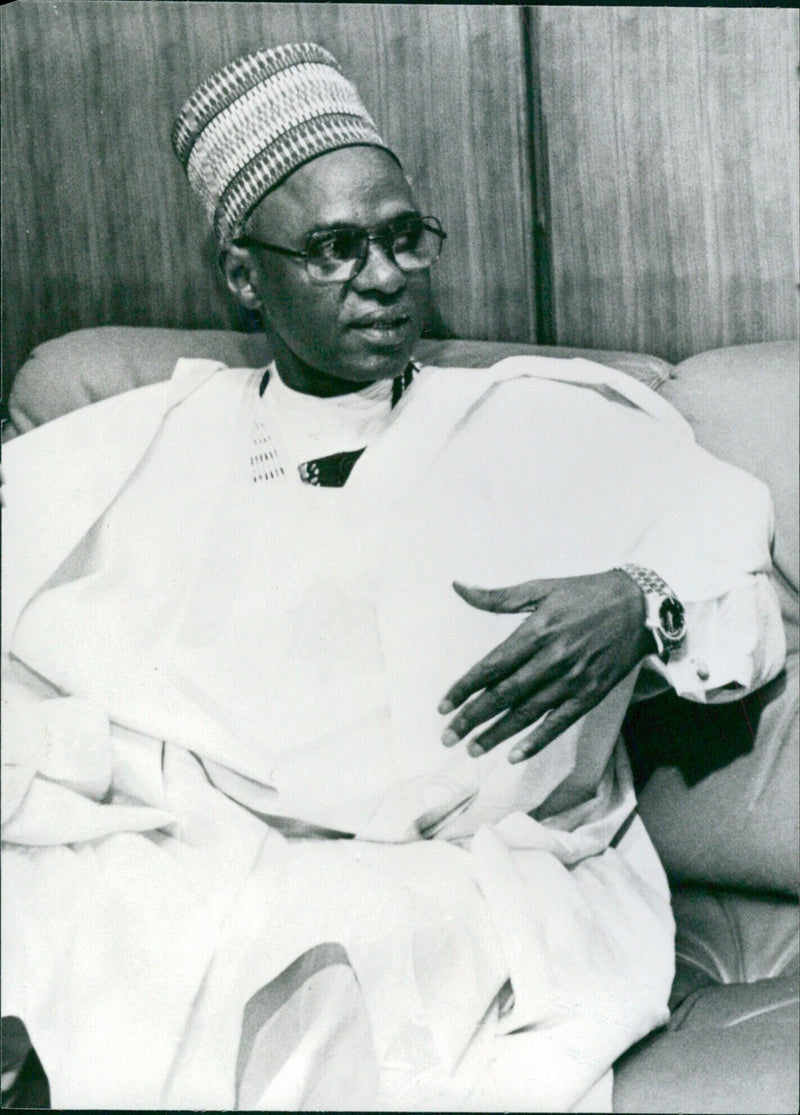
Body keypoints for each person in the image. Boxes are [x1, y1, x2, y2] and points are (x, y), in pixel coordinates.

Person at [1, 42, 786, 1111]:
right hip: (208, 842)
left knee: (311, 958)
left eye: (403, 238)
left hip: (474, 872)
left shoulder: (533, 416)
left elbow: (734, 567)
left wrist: (634, 598)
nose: (384, 277)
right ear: (243, 275)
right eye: (333, 247)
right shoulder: (149, 441)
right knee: (78, 917)